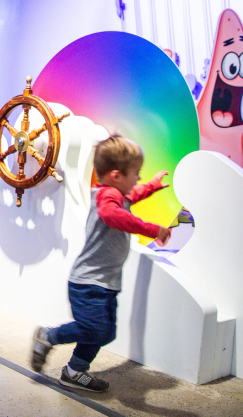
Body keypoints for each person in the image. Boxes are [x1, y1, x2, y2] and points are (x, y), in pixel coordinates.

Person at [31, 134, 171, 392]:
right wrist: (153, 229)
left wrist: (152, 185)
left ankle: (74, 372)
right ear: (116, 176)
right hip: (88, 283)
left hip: (106, 283)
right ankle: (48, 336)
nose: (138, 178)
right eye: (136, 173)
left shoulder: (117, 194)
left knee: (105, 333)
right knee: (93, 329)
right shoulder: (107, 197)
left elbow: (134, 194)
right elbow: (111, 215)